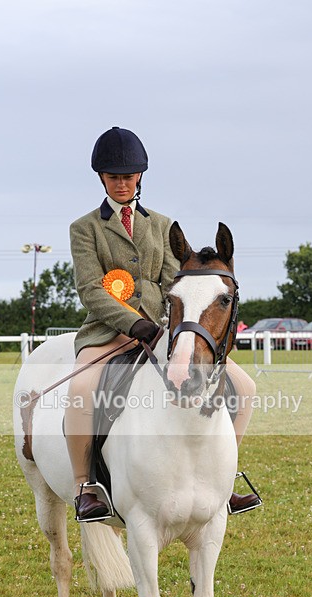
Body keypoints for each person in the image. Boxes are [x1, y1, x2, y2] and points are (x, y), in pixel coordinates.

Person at [66, 126, 259, 520]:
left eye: (128, 176)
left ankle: (226, 477)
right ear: (101, 178)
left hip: (163, 332)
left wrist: (176, 325)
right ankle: (85, 486)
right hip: (108, 333)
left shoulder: (162, 225)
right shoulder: (85, 228)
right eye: (114, 177)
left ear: (139, 176)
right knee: (82, 389)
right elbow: (90, 289)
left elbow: (178, 283)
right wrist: (133, 324)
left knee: (245, 387)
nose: (122, 184)